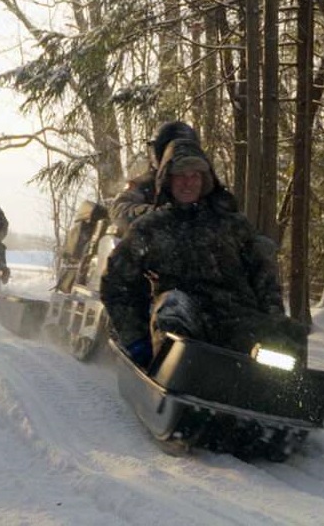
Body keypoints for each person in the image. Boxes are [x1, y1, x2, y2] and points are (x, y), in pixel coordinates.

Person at [100, 138, 305, 369]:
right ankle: (174, 380)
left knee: (290, 337)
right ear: (168, 179)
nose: (188, 183)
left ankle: (278, 397)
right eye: (181, 175)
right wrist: (136, 340)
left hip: (237, 319)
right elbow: (116, 284)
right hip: (186, 323)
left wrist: (274, 319)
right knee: (174, 309)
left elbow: (264, 278)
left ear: (205, 179)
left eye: (194, 175)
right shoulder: (150, 228)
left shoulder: (233, 225)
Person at [108, 120, 237, 237]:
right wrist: (156, 215)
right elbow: (120, 209)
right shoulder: (144, 183)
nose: (188, 182)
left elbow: (227, 211)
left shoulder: (206, 181)